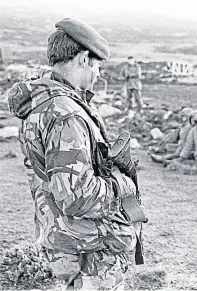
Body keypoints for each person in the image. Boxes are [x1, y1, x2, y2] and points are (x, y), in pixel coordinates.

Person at [7, 18, 141, 289]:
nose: (99, 74)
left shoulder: (42, 103)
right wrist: (122, 185)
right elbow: (76, 196)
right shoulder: (66, 114)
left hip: (65, 238)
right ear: (82, 58)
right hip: (89, 247)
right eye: (98, 65)